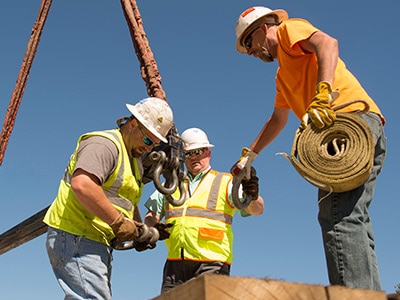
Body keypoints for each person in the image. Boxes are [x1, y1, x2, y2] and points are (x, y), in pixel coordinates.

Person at [234, 6, 386, 290]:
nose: (251, 52)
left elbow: (327, 43)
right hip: (364, 126)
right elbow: (278, 119)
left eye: (248, 43)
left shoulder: (289, 30)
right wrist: (249, 156)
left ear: (262, 28)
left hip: (347, 120)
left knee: (337, 215)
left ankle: (355, 297)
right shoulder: (282, 77)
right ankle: (370, 293)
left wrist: (323, 94)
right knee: (354, 216)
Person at [43, 97, 174, 299]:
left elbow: (127, 201)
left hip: (94, 240)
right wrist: (119, 222)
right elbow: (83, 185)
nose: (149, 148)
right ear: (132, 125)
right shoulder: (104, 144)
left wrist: (141, 230)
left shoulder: (134, 161)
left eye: (154, 144)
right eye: (148, 140)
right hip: (76, 233)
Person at [143, 127, 264, 292]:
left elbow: (257, 210)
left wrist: (253, 194)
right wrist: (153, 228)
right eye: (188, 154)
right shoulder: (170, 185)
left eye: (198, 151)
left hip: (212, 264)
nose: (194, 157)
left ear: (208, 152)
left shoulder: (226, 182)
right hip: (175, 265)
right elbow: (151, 215)